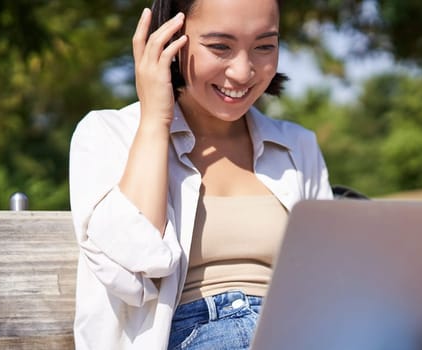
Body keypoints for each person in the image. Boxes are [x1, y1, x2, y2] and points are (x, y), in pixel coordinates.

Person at [68, 0, 332, 348]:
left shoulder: (297, 145)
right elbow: (130, 276)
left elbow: (329, 281)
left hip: (293, 332)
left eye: (264, 46)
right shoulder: (107, 134)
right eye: (220, 47)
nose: (242, 72)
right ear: (170, 40)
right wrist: (155, 121)